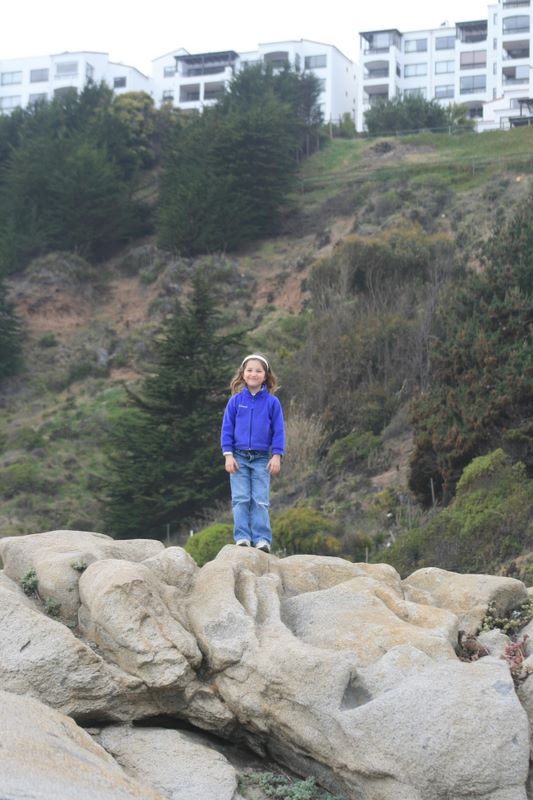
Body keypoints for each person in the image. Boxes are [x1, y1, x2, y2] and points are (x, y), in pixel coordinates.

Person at [220, 353, 284, 553]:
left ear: (265, 375)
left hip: (261, 459)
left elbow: (279, 431)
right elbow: (226, 429)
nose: (253, 374)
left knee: (260, 500)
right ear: (243, 374)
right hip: (238, 457)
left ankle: (262, 539)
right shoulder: (235, 401)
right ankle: (242, 537)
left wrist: (277, 455)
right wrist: (228, 455)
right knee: (240, 499)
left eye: (258, 371)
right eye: (249, 370)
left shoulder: (272, 403)